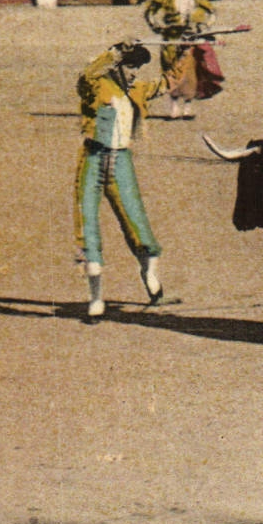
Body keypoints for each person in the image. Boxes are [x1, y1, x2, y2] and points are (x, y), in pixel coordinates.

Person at [74, 41, 167, 319]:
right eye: (130, 66)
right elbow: (86, 77)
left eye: (138, 67)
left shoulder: (137, 89)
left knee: (136, 222)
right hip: (92, 158)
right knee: (86, 223)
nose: (135, 72)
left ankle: (149, 273)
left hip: (121, 161)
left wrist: (191, 52)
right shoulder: (98, 86)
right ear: (116, 66)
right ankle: (95, 298)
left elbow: (167, 83)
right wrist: (113, 52)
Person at [143, 0, 219, 119]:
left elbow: (212, 11)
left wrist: (205, 26)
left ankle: (187, 108)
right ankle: (174, 108)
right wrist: (156, 26)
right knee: (171, 71)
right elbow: (149, 12)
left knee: (189, 71)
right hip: (171, 38)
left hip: (189, 38)